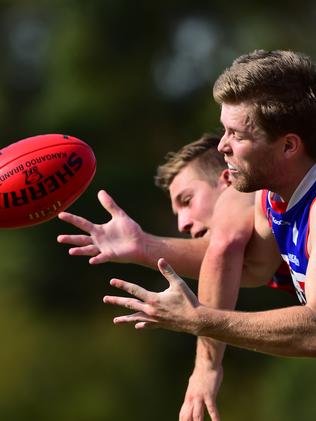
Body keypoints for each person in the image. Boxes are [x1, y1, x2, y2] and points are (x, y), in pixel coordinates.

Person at [103, 49, 316, 362]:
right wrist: (144, 246)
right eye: (224, 129)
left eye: (236, 134)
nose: (222, 145)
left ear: (288, 146)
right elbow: (245, 264)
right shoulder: (274, 198)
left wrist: (198, 322)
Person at [57, 133, 259, 421]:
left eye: (187, 200)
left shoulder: (244, 191)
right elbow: (240, 266)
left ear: (227, 179)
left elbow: (225, 247)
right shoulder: (261, 240)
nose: (182, 223)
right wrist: (143, 246)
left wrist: (206, 366)